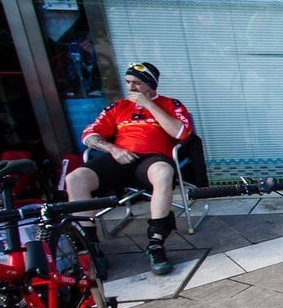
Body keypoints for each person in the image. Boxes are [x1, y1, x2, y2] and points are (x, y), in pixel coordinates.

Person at [66, 62, 192, 276]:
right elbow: (89, 134)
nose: (131, 88)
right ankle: (90, 246)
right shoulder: (117, 107)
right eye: (128, 83)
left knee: (163, 173)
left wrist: (150, 106)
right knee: (75, 178)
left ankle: (156, 243)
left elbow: (181, 133)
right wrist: (112, 149)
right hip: (119, 157)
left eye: (137, 83)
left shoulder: (171, 104)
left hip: (152, 159)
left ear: (151, 85)